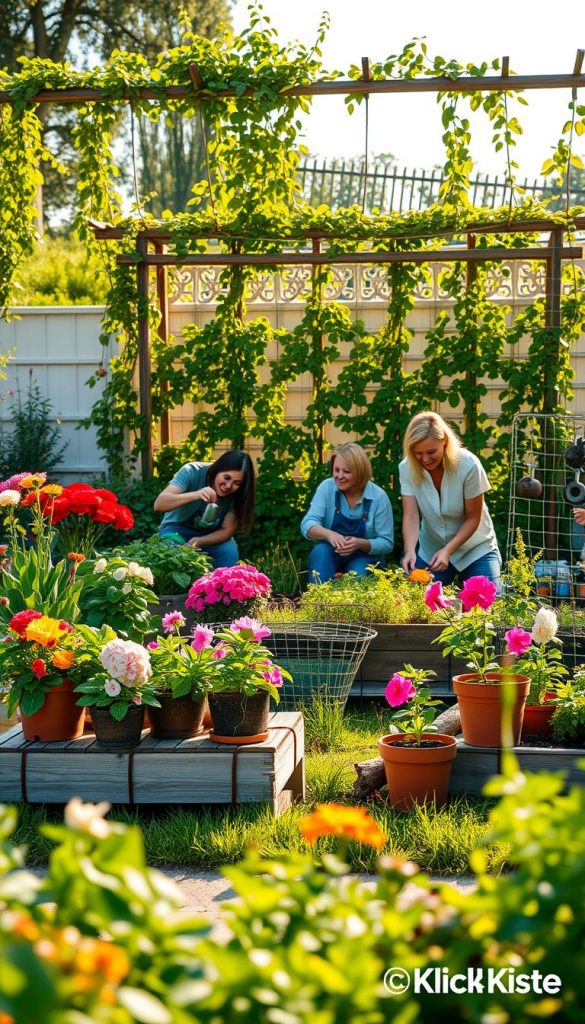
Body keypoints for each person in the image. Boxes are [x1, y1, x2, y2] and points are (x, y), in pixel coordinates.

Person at [400, 411, 501, 587]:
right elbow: (411, 516)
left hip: (475, 549)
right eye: (418, 453)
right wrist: (409, 551)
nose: (425, 459)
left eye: (431, 452)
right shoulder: (406, 468)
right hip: (432, 551)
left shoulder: (468, 464)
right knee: (414, 604)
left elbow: (473, 517)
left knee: (485, 608)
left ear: (445, 441)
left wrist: (448, 551)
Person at [301, 442, 394, 584]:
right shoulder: (326, 488)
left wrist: (360, 544)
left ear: (360, 471)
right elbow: (307, 524)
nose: (339, 476)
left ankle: (353, 606)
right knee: (321, 552)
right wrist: (330, 535)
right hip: (331, 553)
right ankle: (318, 603)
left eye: (346, 471)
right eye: (336, 470)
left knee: (358, 576)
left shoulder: (378, 497)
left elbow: (387, 542)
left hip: (365, 557)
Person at [154, 450, 255, 568]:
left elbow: (227, 531)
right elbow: (159, 504)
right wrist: (196, 494)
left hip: (209, 537)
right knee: (174, 557)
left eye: (236, 483)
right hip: (175, 532)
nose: (228, 486)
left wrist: (200, 541)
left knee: (229, 551)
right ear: (218, 469)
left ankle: (223, 586)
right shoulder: (192, 471)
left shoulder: (239, 493)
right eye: (226, 477)